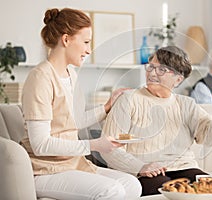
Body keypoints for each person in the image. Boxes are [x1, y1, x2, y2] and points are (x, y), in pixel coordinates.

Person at [20, 8, 142, 200]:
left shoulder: (71, 75)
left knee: (132, 185)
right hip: (45, 169)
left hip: (72, 163)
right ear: (66, 39)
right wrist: (94, 145)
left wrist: (107, 106)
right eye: (85, 42)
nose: (88, 49)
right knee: (112, 191)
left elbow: (74, 121)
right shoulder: (40, 78)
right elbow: (40, 144)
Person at [100, 46, 212, 196]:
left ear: (178, 79)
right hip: (143, 171)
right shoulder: (128, 100)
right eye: (150, 67)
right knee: (169, 193)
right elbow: (109, 148)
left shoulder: (186, 105)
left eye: (162, 69)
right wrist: (140, 167)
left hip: (184, 167)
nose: (152, 73)